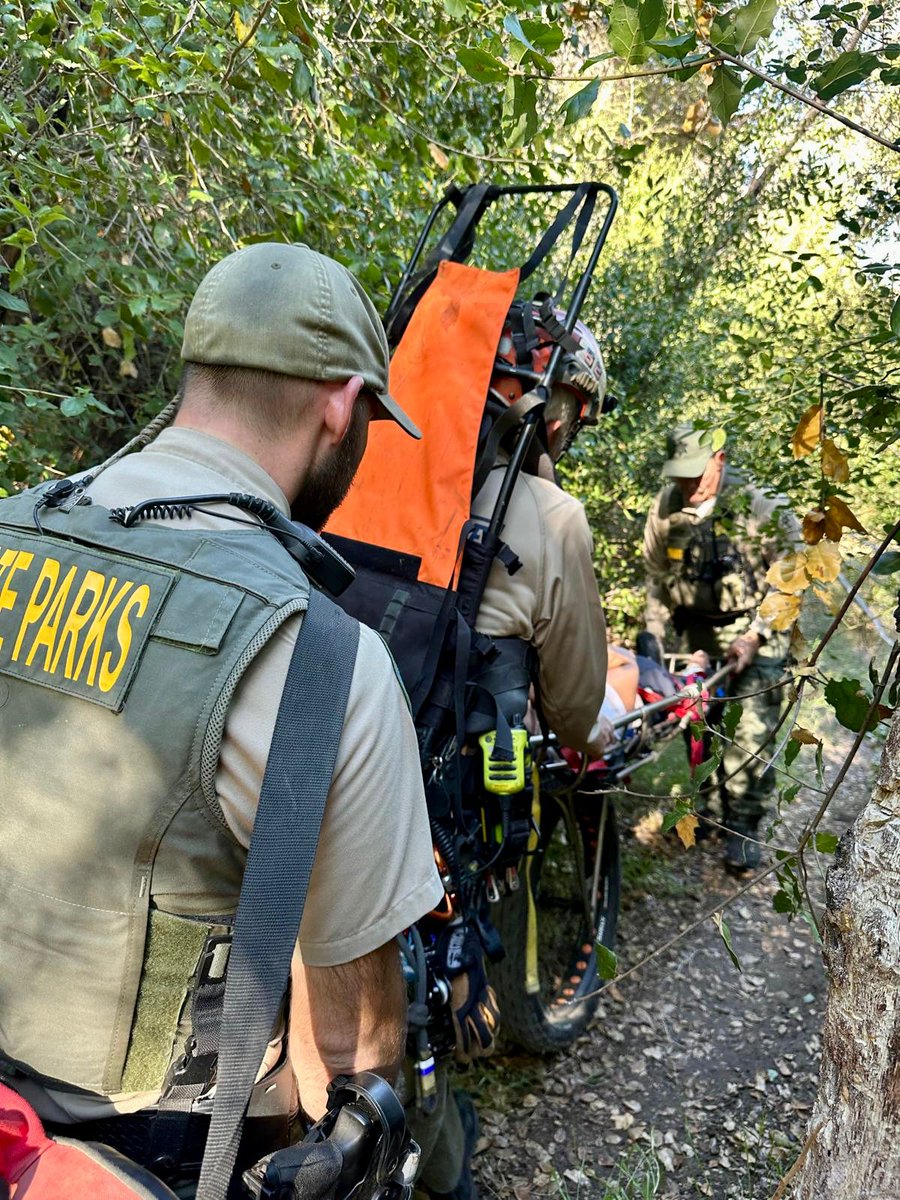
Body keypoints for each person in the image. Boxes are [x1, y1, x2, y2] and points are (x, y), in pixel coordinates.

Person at [0, 243, 444, 1195]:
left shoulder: (9, 531)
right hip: (152, 1154)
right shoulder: (325, 665)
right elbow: (351, 1051)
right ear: (340, 403)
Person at [642, 422, 801, 871]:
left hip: (755, 627)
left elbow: (790, 579)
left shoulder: (758, 505)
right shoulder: (667, 507)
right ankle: (707, 812)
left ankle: (744, 824)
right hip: (697, 634)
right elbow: (656, 578)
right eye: (680, 474)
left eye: (697, 473)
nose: (688, 484)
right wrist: (656, 641)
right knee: (700, 727)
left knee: (750, 732)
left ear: (721, 460)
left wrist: (755, 636)